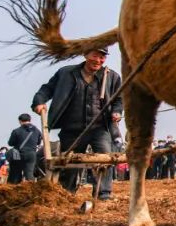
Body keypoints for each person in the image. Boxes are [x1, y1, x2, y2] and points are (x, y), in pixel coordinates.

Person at [31, 48, 123, 210]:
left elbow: (119, 99)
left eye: (102, 57)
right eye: (95, 55)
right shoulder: (66, 73)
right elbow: (47, 89)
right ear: (86, 54)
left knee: (104, 158)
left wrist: (117, 112)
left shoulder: (112, 77)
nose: (98, 60)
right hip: (72, 127)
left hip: (100, 127)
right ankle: (67, 192)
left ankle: (103, 194)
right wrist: (39, 102)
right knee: (70, 160)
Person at [8, 112, 43, 184]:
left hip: (17, 153)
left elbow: (10, 143)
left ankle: (13, 190)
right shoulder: (37, 131)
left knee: (15, 173)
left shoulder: (16, 131)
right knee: (29, 173)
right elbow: (38, 143)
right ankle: (31, 189)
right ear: (30, 120)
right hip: (31, 153)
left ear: (20, 121)